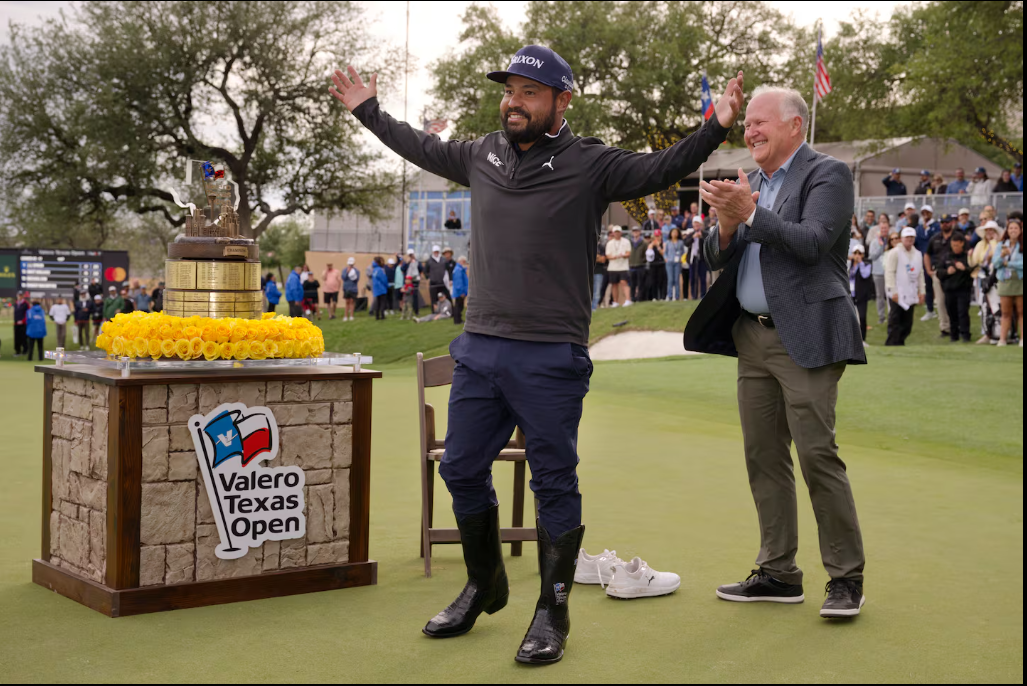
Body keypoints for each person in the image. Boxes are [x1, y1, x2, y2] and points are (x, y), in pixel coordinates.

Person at [330, 45, 741, 662]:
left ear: (560, 101)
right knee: (461, 468)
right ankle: (484, 582)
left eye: (528, 92)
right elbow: (417, 145)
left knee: (554, 483)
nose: (513, 102)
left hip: (550, 354)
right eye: (509, 90)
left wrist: (715, 126)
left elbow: (661, 168)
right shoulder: (481, 154)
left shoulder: (592, 162)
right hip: (481, 347)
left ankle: (552, 610)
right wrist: (369, 111)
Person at [687, 85, 868, 619]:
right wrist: (726, 221)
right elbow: (717, 257)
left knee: (816, 455)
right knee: (763, 456)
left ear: (795, 126)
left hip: (806, 335)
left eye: (761, 121)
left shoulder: (827, 175)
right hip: (752, 338)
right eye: (746, 124)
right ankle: (778, 573)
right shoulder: (752, 182)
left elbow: (812, 242)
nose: (750, 130)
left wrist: (748, 212)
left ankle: (846, 578)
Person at [884, 227, 927, 346]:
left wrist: (922, 290)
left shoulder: (917, 254)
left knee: (907, 323)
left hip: (911, 291)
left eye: (912, 237)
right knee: (895, 321)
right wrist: (893, 291)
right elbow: (889, 272)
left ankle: (900, 342)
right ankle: (892, 344)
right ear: (902, 239)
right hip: (898, 291)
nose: (909, 240)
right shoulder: (895, 253)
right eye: (907, 237)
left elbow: (920, 273)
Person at [924, 213, 961, 337]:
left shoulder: (957, 237)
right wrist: (929, 270)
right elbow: (927, 254)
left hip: (954, 273)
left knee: (955, 301)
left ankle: (956, 326)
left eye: (947, 222)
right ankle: (945, 327)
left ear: (952, 223)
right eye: (943, 222)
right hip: (939, 272)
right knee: (940, 301)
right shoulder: (935, 238)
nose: (945, 224)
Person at [937, 232, 973, 343]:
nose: (955, 248)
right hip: (949, 289)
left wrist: (964, 269)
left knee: (962, 312)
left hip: (963, 289)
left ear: (962, 244)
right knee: (951, 313)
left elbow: (974, 270)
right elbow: (939, 272)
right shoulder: (946, 257)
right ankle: (954, 335)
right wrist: (947, 272)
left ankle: (965, 335)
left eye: (957, 245)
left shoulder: (968, 256)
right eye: (953, 245)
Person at [993, 218, 1024, 347]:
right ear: (1007, 230)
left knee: (1021, 312)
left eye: (1015, 228)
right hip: (1005, 280)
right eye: (1010, 228)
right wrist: (1001, 256)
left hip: (1020, 280)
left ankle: (1022, 339)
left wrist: (1008, 263)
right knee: (1005, 313)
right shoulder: (1001, 245)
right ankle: (1002, 339)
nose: (1013, 231)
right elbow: (995, 263)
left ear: (1020, 230)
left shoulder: (1022, 245)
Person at [971, 221, 1002, 344]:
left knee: (994, 305)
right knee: (982, 304)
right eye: (987, 230)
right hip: (981, 277)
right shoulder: (980, 244)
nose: (989, 233)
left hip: (995, 278)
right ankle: (986, 332)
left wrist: (994, 242)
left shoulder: (999, 244)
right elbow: (975, 260)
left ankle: (996, 332)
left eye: (991, 230)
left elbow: (995, 256)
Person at [866, 214, 891, 325]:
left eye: (885, 228)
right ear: (879, 230)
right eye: (882, 228)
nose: (884, 230)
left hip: (890, 272)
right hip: (878, 272)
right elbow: (871, 256)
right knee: (880, 296)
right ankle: (881, 317)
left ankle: (891, 316)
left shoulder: (892, 240)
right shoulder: (874, 242)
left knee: (890, 295)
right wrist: (881, 247)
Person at [849, 246, 875, 343]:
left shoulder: (866, 264)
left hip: (861, 295)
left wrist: (860, 263)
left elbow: (865, 275)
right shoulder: (849, 265)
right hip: (850, 295)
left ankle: (862, 340)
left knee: (862, 317)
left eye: (859, 253)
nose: (857, 256)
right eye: (855, 253)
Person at [604, 225, 632, 307]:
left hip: (623, 266)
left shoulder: (626, 241)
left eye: (618, 232)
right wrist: (615, 257)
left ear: (621, 233)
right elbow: (608, 256)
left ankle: (628, 300)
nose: (617, 234)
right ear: (613, 233)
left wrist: (623, 255)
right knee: (614, 284)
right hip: (613, 267)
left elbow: (628, 253)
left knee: (624, 282)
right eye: (615, 232)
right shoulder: (609, 243)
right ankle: (615, 302)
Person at [687, 218, 708, 299]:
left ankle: (703, 295)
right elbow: (686, 243)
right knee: (692, 278)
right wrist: (693, 238)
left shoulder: (704, 233)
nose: (696, 225)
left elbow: (707, 243)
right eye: (695, 224)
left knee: (702, 278)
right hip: (693, 259)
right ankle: (693, 295)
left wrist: (701, 237)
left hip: (702, 259)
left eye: (698, 224)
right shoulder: (691, 234)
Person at [628, 225, 648, 301]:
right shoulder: (630, 242)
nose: (635, 233)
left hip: (641, 265)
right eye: (634, 231)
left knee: (641, 284)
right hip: (632, 265)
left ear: (640, 232)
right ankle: (632, 298)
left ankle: (640, 299)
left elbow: (647, 254)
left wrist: (643, 260)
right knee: (632, 284)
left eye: (637, 231)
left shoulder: (644, 242)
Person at [664, 227, 685, 301]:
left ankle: (677, 296)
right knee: (670, 279)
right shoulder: (668, 242)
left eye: (676, 232)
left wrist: (681, 259)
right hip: (669, 262)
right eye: (673, 232)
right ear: (670, 234)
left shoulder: (680, 242)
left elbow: (683, 252)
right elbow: (665, 253)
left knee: (676, 280)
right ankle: (669, 295)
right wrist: (666, 258)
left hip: (677, 262)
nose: (674, 234)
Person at [592, 238, 608, 310]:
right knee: (588, 292)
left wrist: (594, 257)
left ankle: (594, 308)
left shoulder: (601, 247)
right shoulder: (587, 246)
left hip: (599, 272)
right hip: (589, 273)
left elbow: (603, 260)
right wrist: (597, 256)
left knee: (597, 292)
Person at [452, 256, 469, 325]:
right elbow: (459, 282)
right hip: (459, 292)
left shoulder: (460, 269)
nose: (465, 263)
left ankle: (458, 319)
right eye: (464, 262)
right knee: (458, 306)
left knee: (459, 306)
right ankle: (457, 320)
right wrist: (461, 291)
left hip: (460, 291)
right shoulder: (458, 270)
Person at [13, 291, 30, 356]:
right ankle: (18, 351)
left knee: (24, 338)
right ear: (17, 296)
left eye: (21, 295)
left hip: (23, 324)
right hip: (16, 323)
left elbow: (28, 314)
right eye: (18, 295)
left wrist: (23, 321)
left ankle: (25, 351)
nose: (19, 296)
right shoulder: (15, 304)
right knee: (17, 338)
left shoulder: (26, 304)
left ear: (23, 296)